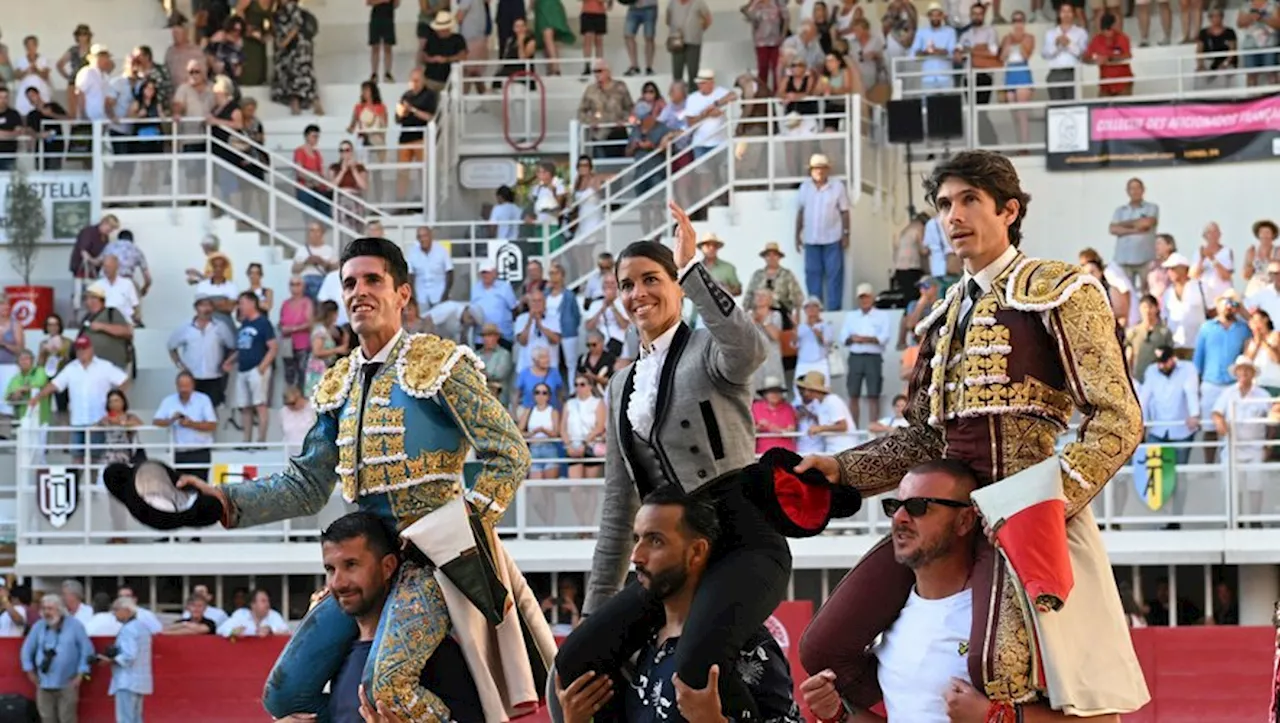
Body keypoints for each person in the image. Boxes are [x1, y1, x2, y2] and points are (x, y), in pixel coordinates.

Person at [106, 237, 555, 722]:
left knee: (388, 688)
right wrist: (218, 501)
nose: (359, 291)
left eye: (372, 280)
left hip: (432, 566)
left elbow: (508, 453)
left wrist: (460, 533)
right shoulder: (338, 382)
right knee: (284, 695)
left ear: (403, 293)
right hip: (363, 560)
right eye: (349, 283)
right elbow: (306, 484)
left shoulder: (440, 364)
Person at [796, 150, 1149, 717]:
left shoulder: (1060, 290)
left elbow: (1118, 416)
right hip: (942, 508)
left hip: (1027, 511)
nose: (953, 216)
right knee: (824, 645)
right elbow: (922, 440)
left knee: (1001, 665)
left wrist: (1045, 503)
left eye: (969, 201)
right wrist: (841, 470)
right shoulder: (943, 314)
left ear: (1009, 210)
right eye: (943, 204)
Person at [555, 202, 789, 721]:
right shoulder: (619, 386)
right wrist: (597, 608)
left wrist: (693, 270)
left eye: (652, 279)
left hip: (741, 540)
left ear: (678, 287)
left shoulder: (708, 349)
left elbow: (749, 351)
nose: (639, 293)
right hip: (668, 554)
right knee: (574, 665)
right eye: (627, 284)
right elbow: (619, 505)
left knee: (696, 665)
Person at [802, 460, 1124, 723]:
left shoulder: (1011, 614)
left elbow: (1105, 720)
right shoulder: (894, 622)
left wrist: (997, 718)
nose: (899, 518)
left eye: (918, 507)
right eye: (894, 506)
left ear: (964, 520)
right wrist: (839, 715)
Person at [556, 487, 804, 723]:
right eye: (637, 539)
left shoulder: (746, 647)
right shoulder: (636, 646)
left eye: (655, 541)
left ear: (696, 552)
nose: (636, 556)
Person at [276, 511, 486, 723]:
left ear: (387, 567)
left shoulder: (436, 655)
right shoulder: (336, 657)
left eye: (351, 565)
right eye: (330, 569)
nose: (338, 582)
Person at [100, 596, 153, 723]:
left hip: (127, 681)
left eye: (116, 610)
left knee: (125, 719)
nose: (114, 614)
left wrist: (110, 660)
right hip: (140, 681)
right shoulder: (142, 627)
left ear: (126, 610)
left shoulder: (128, 629)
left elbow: (129, 656)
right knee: (136, 718)